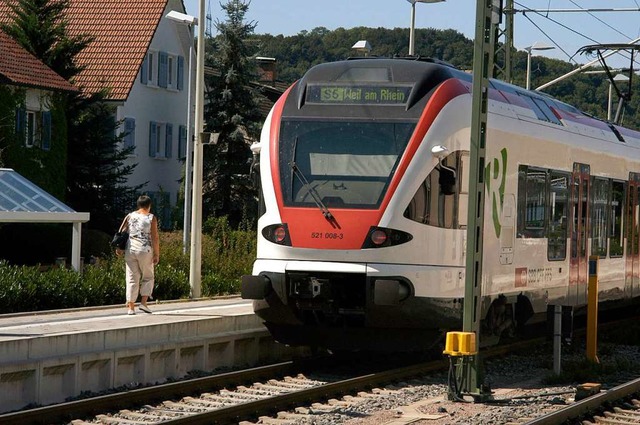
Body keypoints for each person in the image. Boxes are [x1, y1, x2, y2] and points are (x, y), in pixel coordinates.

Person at [116, 195, 160, 315]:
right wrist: (156, 253)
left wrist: (119, 247)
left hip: (130, 250)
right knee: (148, 276)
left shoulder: (130, 216)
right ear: (149, 206)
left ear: (138, 205)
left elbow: (121, 231)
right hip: (145, 250)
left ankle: (130, 307)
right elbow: (155, 237)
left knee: (131, 278)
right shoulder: (151, 218)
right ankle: (144, 303)